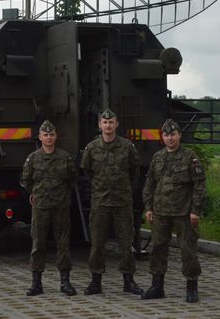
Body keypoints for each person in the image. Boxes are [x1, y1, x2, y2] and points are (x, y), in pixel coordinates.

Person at [141, 118, 206, 303]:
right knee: (158, 249)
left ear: (179, 135)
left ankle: (191, 287)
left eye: (173, 134)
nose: (170, 138)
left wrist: (195, 210)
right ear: (162, 137)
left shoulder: (189, 157)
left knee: (188, 250)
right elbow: (150, 184)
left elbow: (199, 185)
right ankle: (157, 287)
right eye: (166, 135)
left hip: (183, 213)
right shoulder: (158, 157)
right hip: (161, 212)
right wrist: (148, 207)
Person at [80, 108, 143, 296]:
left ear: (117, 124)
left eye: (111, 122)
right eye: (104, 122)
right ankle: (96, 281)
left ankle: (128, 281)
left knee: (126, 242)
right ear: (100, 125)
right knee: (97, 243)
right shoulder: (92, 148)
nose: (108, 126)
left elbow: (134, 172)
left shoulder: (127, 147)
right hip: (100, 202)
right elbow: (87, 172)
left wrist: (122, 188)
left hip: (122, 202)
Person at [21, 120, 77, 296]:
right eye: (45, 135)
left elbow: (72, 179)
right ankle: (36, 283)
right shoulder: (33, 158)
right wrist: (36, 192)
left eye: (51, 134)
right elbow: (26, 181)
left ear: (56, 137)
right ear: (40, 137)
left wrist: (61, 194)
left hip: (60, 207)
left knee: (63, 244)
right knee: (38, 244)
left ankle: (65, 282)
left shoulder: (64, 157)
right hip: (41, 207)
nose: (49, 138)